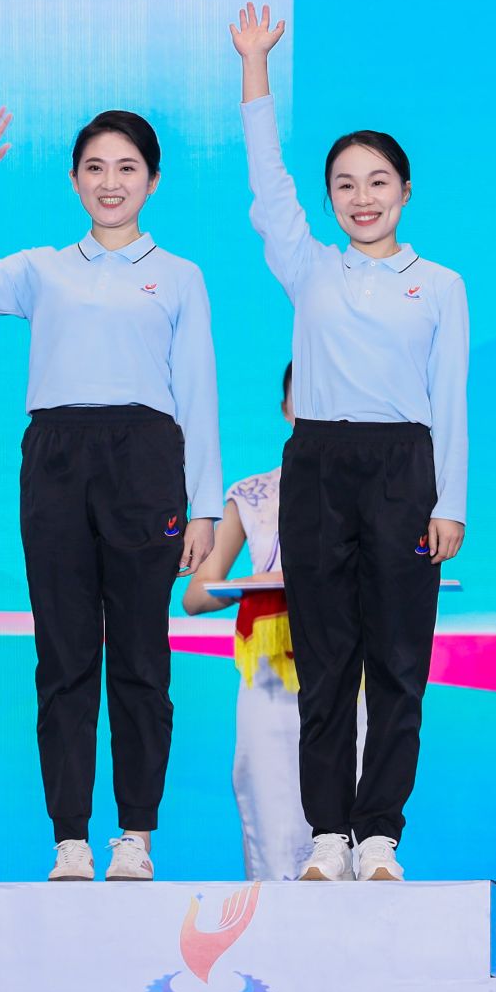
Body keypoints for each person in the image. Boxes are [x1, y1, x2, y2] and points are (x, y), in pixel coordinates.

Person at [0, 106, 221, 882]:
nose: (110, 183)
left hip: (146, 459)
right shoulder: (43, 268)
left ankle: (136, 835)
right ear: (73, 180)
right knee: (63, 656)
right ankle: (70, 839)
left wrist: (206, 507)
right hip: (56, 457)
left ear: (152, 182)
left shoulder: (179, 275)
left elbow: (198, 394)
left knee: (141, 656)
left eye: (127, 169)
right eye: (95, 168)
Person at [231, 3, 467, 884]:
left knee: (400, 663)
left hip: (405, 469)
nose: (361, 198)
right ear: (330, 199)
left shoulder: (438, 284)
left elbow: (451, 400)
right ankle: (328, 832)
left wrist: (450, 503)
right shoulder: (310, 268)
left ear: (405, 192)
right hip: (320, 467)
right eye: (344, 185)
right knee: (325, 662)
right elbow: (268, 186)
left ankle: (379, 836)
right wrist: (256, 67)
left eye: (377, 183)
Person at [182, 363, 368, 881]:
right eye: (300, 397)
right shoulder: (252, 494)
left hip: (345, 669)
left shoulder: (368, 491)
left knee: (352, 808)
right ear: (286, 409)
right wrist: (265, 581)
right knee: (269, 804)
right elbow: (196, 595)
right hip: (269, 679)